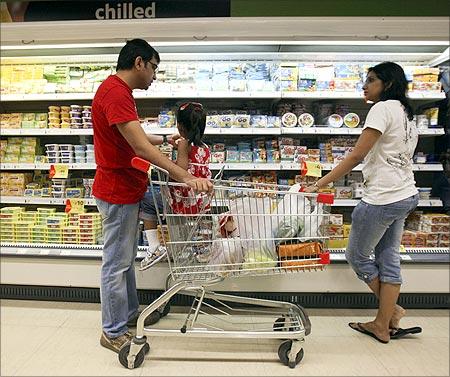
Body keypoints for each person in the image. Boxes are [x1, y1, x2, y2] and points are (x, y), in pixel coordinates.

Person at [92, 39, 213, 353]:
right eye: (154, 68)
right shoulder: (117, 93)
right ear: (139, 63)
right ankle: (112, 330)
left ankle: (129, 315)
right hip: (117, 190)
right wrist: (184, 174)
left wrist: (169, 140)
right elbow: (140, 147)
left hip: (127, 187)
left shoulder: (119, 92)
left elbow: (137, 135)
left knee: (125, 260)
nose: (155, 76)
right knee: (116, 263)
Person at [305, 62, 419, 343]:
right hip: (405, 194)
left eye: (371, 81)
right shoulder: (407, 113)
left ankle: (390, 314)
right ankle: (385, 320)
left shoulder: (382, 109)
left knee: (357, 256)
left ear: (388, 84)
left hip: (382, 198)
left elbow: (356, 156)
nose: (364, 86)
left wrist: (319, 183)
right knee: (388, 258)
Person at [139, 101, 211, 270]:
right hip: (198, 201)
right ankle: (180, 247)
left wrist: (166, 165)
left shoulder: (184, 145)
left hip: (182, 200)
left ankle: (154, 247)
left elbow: (181, 171)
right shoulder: (205, 147)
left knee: (148, 201)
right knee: (173, 214)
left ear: (179, 126)